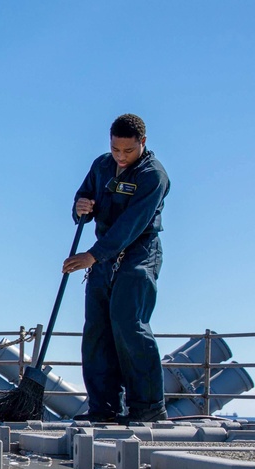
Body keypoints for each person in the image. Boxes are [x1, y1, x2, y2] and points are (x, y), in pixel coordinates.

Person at [62, 113, 170, 423]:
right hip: (101, 257)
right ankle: (104, 409)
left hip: (139, 253)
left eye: (128, 151)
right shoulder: (101, 165)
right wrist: (80, 206)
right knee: (96, 330)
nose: (121, 157)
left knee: (128, 323)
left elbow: (130, 225)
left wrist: (93, 256)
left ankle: (147, 408)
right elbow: (84, 195)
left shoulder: (154, 176)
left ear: (143, 143)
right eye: (115, 150)